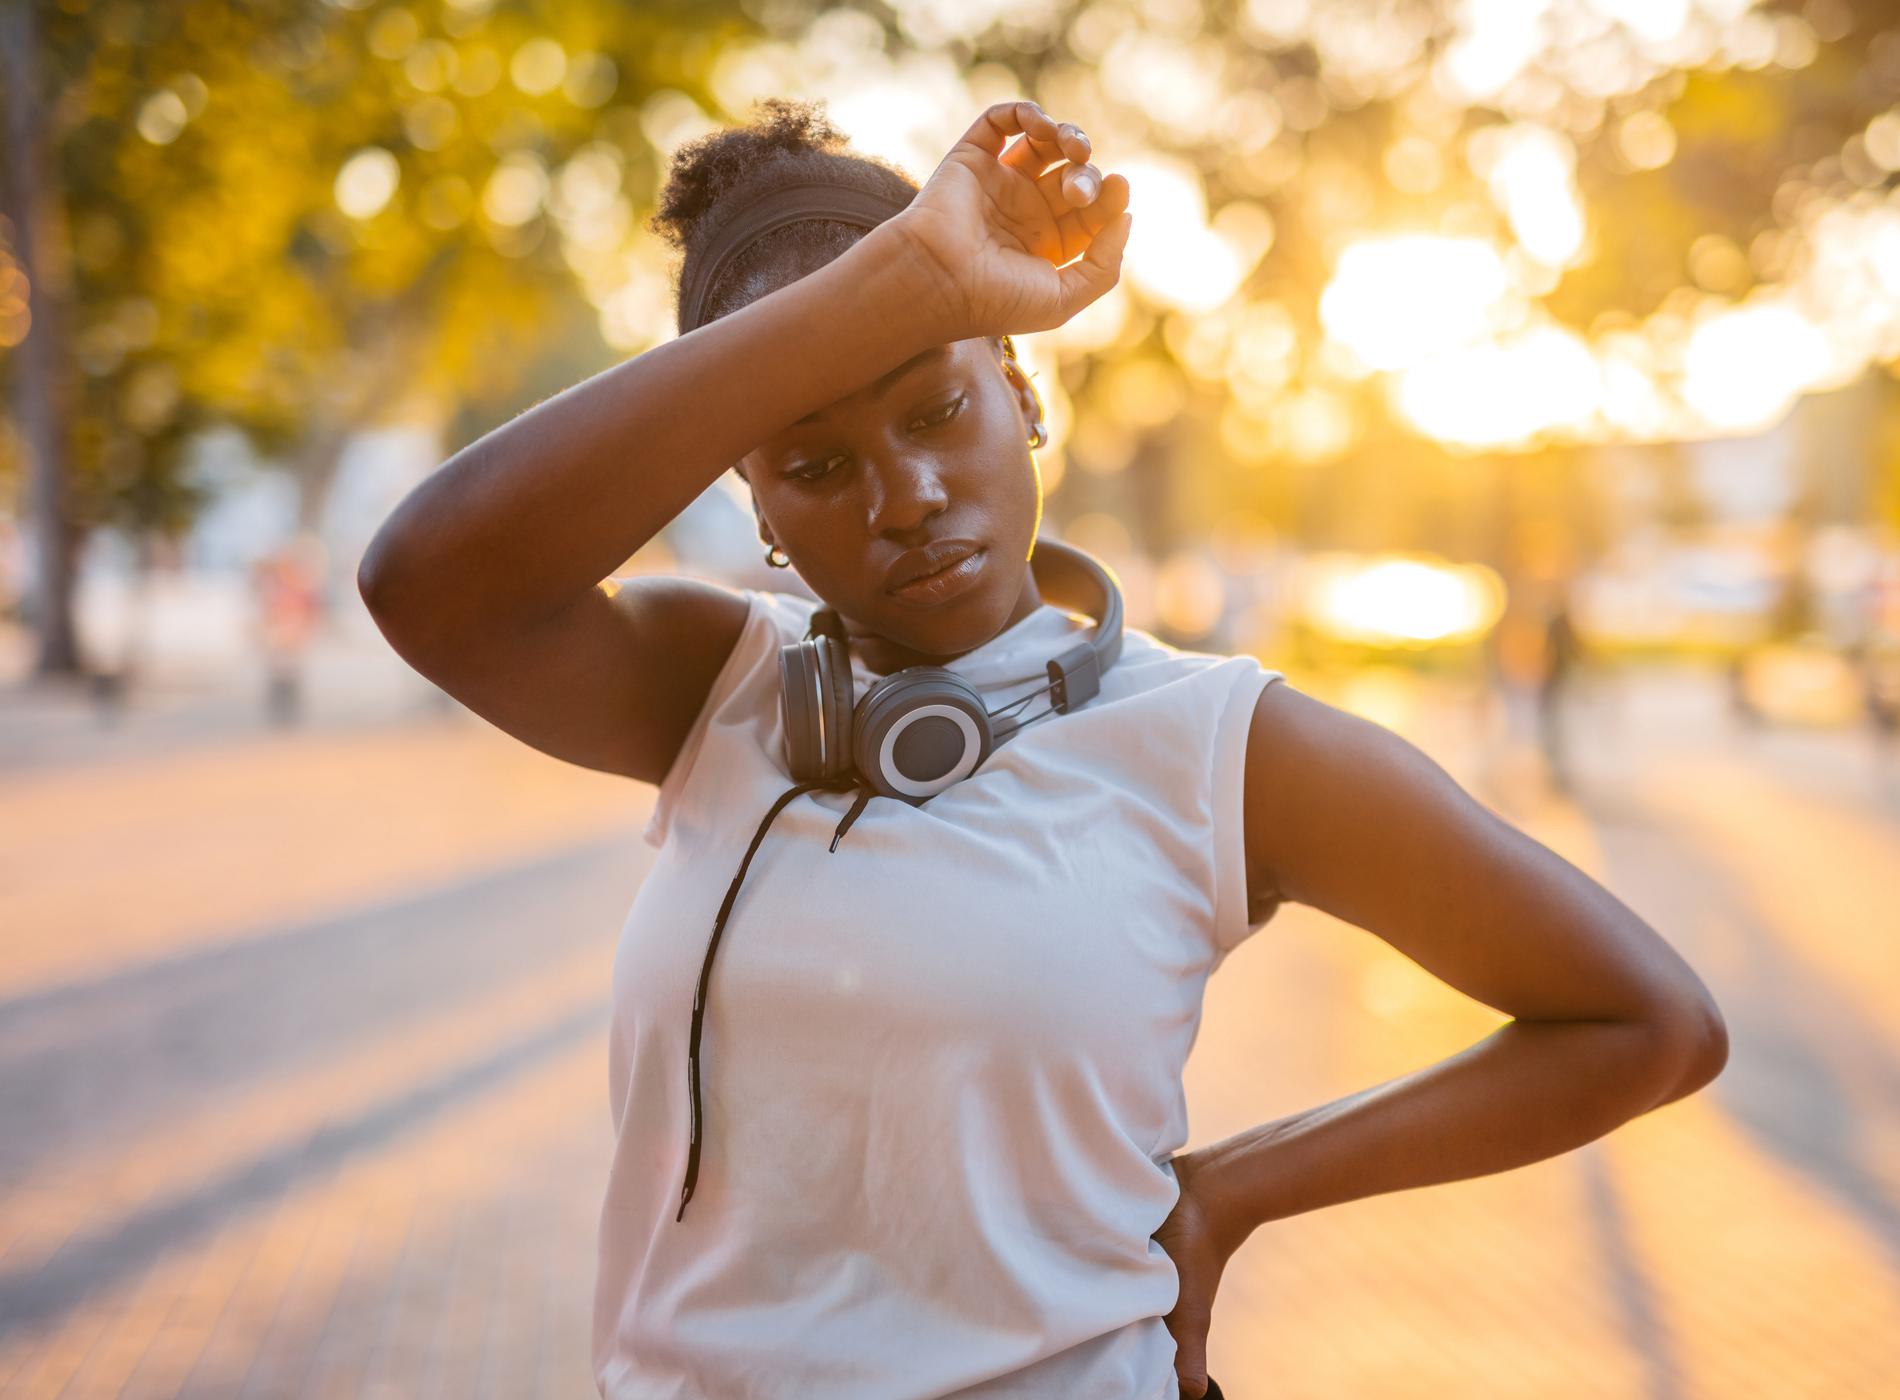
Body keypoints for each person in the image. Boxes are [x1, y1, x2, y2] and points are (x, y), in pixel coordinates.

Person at [357, 97, 1729, 1400]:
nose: (906, 496)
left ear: (1023, 395)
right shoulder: (707, 687)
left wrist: (1232, 1191)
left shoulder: (1219, 745)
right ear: (757, 508)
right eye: (816, 465)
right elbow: (425, 582)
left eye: (936, 409)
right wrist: (892, 293)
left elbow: (1647, 1024)